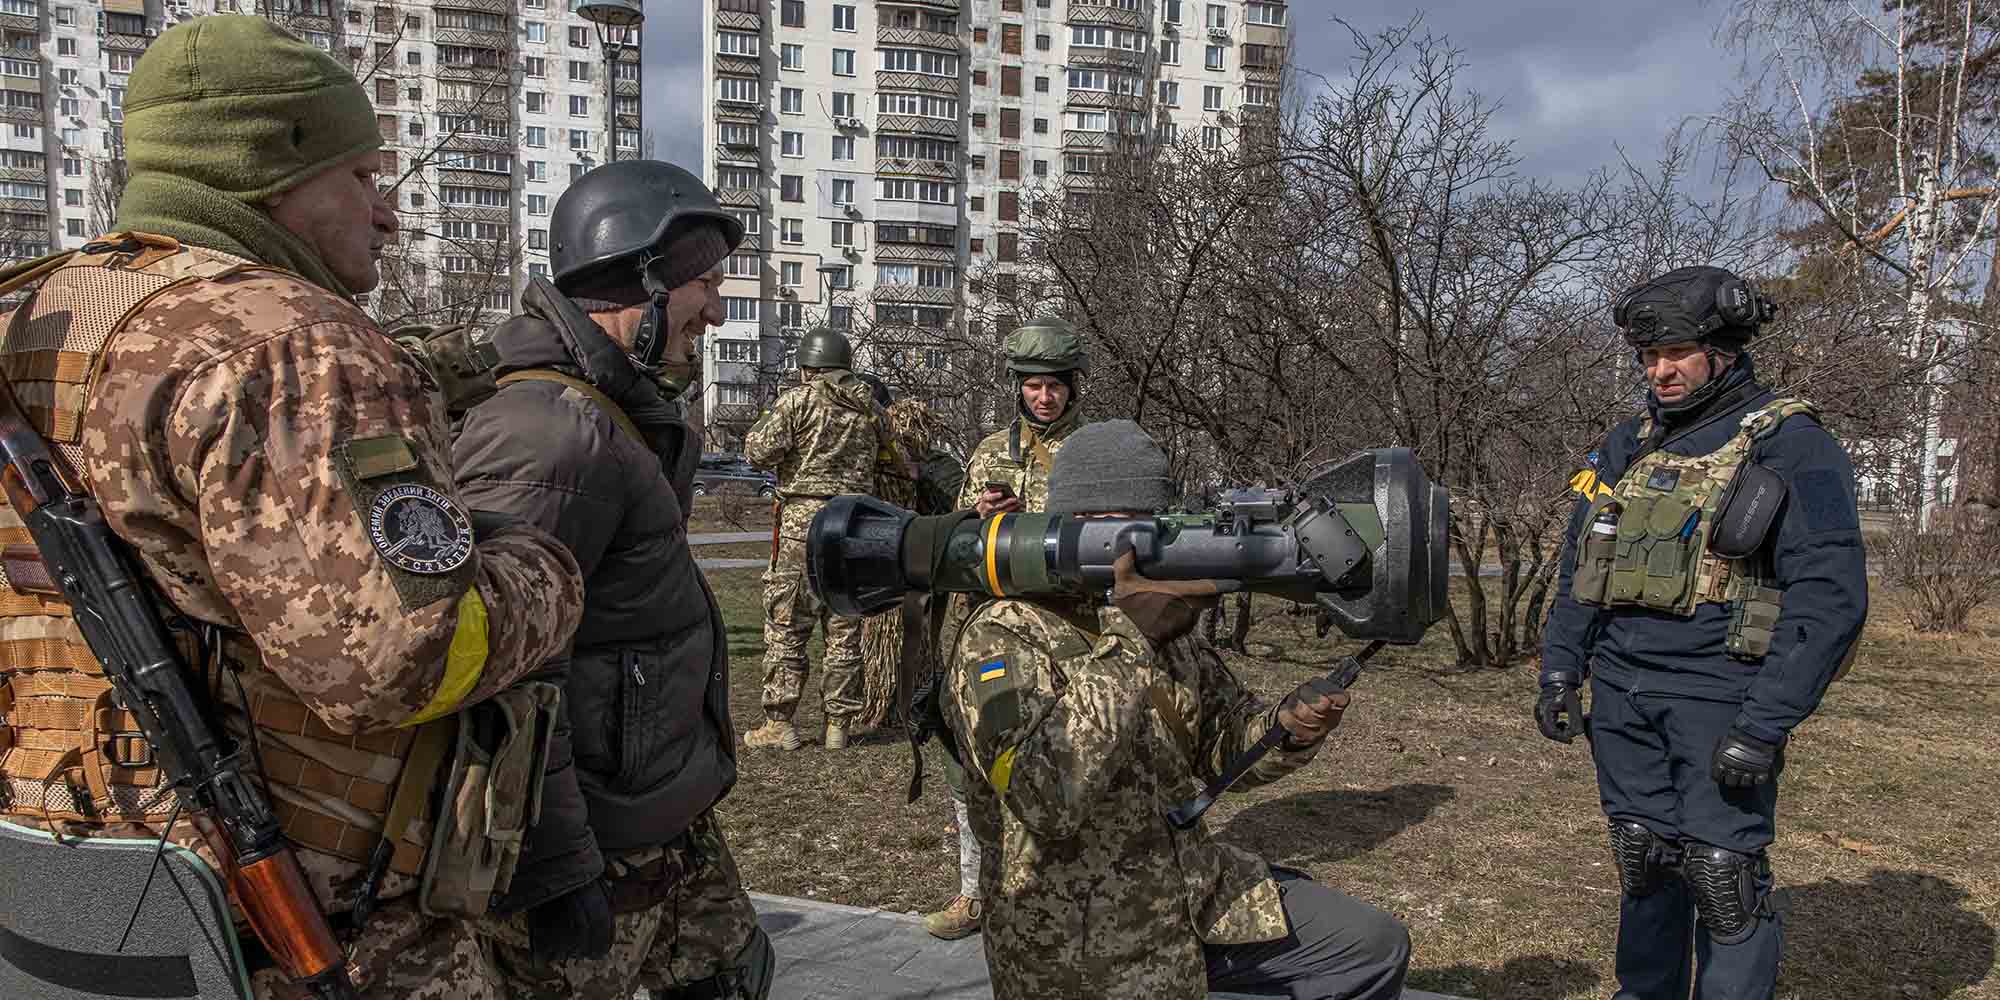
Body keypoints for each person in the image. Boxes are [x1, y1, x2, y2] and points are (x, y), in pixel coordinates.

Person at [0, 15, 585, 998]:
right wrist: (542, 569)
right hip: (296, 920)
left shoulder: (29, 317)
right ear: (272, 168)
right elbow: (401, 661)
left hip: (55, 875)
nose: (387, 214)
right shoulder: (295, 349)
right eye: (364, 177)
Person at [943, 419, 1413, 1000]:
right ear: (1070, 523)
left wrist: (1285, 729)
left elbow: (1222, 743)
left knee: (1369, 947)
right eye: (1112, 524)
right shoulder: (1002, 634)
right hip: (1075, 936)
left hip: (1190, 890)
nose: (1135, 545)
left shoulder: (1168, 619)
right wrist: (1132, 640)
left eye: (1149, 523)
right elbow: (1045, 800)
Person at [451, 160, 772, 998]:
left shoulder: (615, 414)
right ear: (643, 281)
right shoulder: (550, 437)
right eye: (703, 282)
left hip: (658, 816)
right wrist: (556, 867)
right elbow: (505, 673)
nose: (718, 308)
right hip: (590, 838)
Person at [1538, 266, 1868, 1000]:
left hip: (1721, 697)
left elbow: (1831, 596)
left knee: (1723, 876)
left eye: (1676, 354)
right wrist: (1561, 666)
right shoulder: (1624, 444)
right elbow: (1580, 559)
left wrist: (1766, 722)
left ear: (1721, 349)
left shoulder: (1793, 445)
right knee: (1644, 856)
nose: (1659, 371)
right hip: (1623, 696)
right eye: (1647, 358)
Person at [922, 317, 1091, 940]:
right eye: (1033, 387)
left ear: (1072, 389)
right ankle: (977, 891)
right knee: (972, 760)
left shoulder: (1090, 454)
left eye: (1054, 388)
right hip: (990, 623)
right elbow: (960, 543)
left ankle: (1058, 894)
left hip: (1066, 628)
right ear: (1018, 388)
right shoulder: (992, 450)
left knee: (1063, 761)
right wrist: (979, 515)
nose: (1043, 398)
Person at [742, 328, 904, 752]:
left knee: (787, 625)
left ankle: (780, 722)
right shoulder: (870, 406)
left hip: (803, 521)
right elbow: (895, 456)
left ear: (807, 368)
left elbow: (758, 451)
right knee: (844, 626)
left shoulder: (797, 400)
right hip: (854, 523)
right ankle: (839, 725)